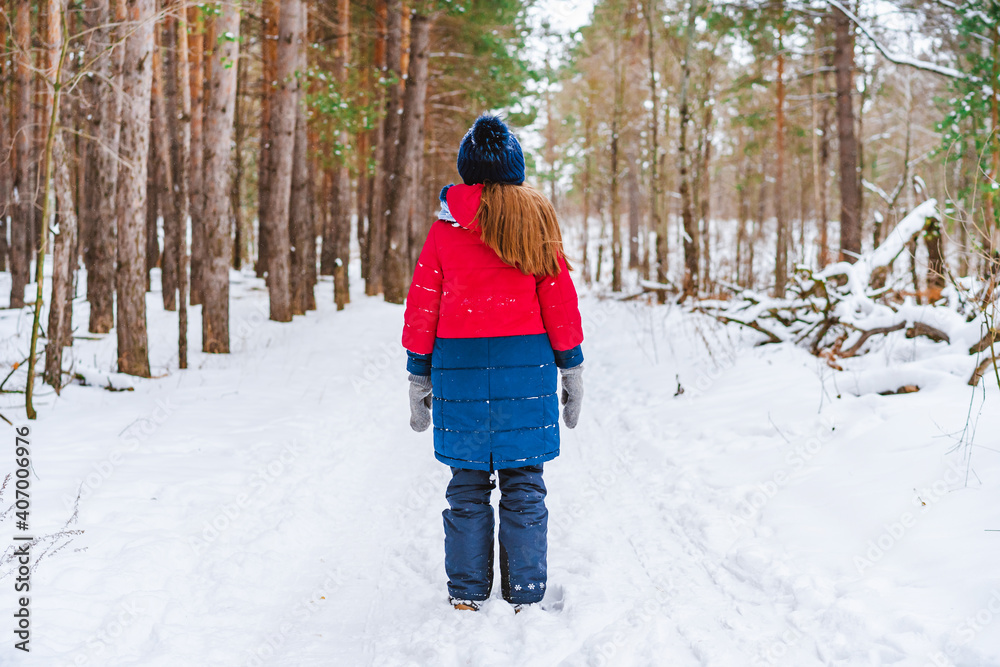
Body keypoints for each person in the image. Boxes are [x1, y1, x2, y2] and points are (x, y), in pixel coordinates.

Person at [401, 114, 585, 613]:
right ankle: (525, 593)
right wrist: (571, 367)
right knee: (524, 483)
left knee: (467, 485)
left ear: (467, 171)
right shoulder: (538, 220)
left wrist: (419, 373)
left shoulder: (444, 230)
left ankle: (466, 593)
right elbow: (559, 301)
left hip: (458, 368)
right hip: (526, 369)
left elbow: (423, 304)